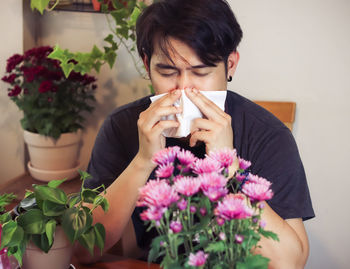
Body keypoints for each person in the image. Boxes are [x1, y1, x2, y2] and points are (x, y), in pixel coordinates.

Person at [76, 0, 315, 268]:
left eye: (201, 72)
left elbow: (289, 264)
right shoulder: (122, 126)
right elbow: (83, 251)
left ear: (231, 65)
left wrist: (229, 167)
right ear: (146, 65)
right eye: (167, 71)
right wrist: (143, 161)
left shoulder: (268, 134)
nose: (183, 88)